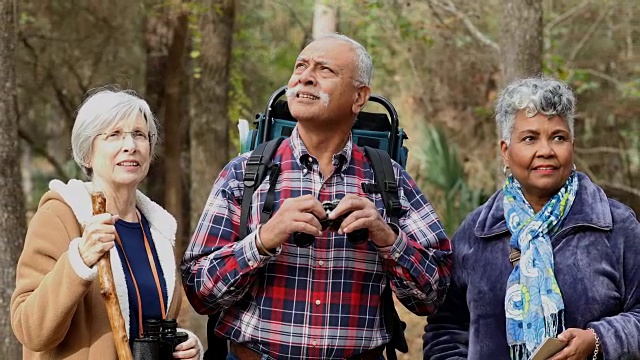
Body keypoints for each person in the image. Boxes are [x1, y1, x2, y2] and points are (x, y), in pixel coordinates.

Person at [182, 33, 452, 360]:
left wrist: (386, 237)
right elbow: (199, 291)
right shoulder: (245, 174)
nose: (305, 76)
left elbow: (434, 294)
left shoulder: (389, 178)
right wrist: (263, 240)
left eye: (324, 70)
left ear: (358, 97)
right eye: (300, 66)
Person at [423, 76, 640, 360]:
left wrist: (597, 340)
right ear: (506, 151)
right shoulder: (476, 234)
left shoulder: (614, 225)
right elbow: (446, 329)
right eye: (529, 138)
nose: (546, 151)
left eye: (558, 137)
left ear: (572, 145)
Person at [11, 89, 203, 359]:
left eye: (139, 134)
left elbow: (151, 319)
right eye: (114, 135)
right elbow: (30, 330)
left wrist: (184, 343)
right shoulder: (60, 217)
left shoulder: (158, 229)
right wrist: (79, 260)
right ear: (87, 154)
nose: (131, 145)